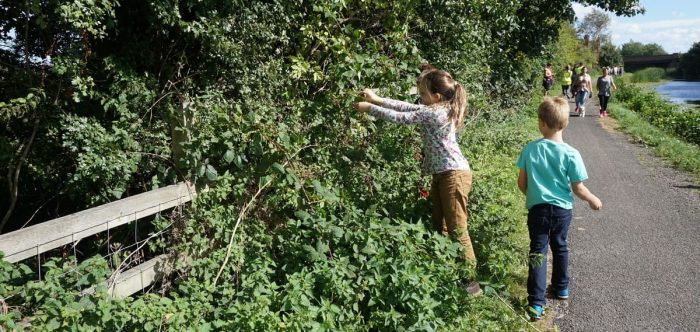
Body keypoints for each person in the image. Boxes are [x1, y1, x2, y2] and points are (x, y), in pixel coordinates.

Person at [353, 69, 482, 296]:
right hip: (443, 174)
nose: (420, 98)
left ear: (437, 96)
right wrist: (377, 99)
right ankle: (448, 272)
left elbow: (403, 117)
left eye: (423, 93)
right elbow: (406, 106)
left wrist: (370, 109)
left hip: (454, 175)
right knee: (440, 225)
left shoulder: (436, 113)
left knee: (457, 228)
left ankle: (471, 284)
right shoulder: (437, 108)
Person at [516, 97, 603, 321]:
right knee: (560, 246)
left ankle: (536, 303)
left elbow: (522, 184)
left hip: (538, 210)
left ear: (542, 123)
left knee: (538, 251)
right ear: (564, 123)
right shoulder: (571, 153)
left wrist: (535, 196)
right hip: (562, 210)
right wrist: (592, 199)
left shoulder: (530, 149)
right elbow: (578, 188)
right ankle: (561, 288)